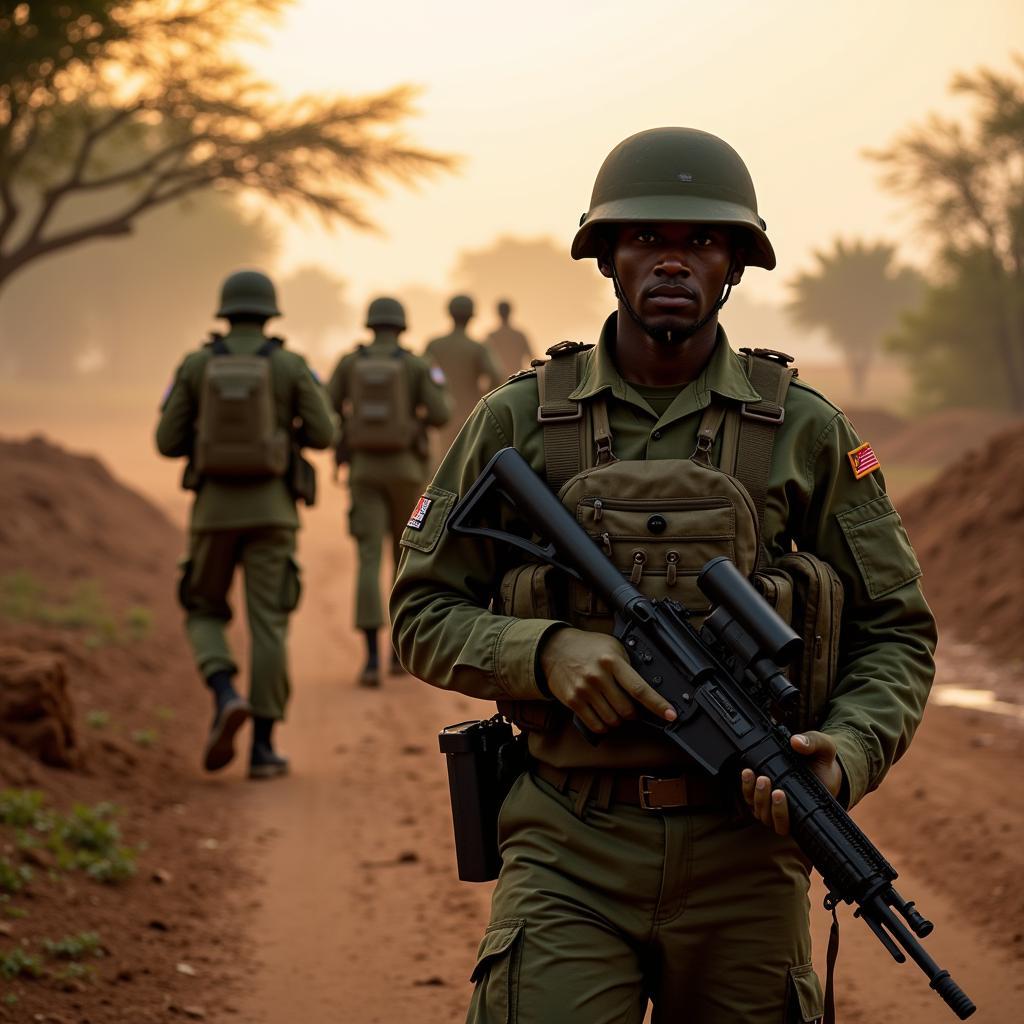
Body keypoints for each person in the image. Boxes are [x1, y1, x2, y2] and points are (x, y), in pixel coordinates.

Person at [391, 128, 935, 1023]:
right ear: (607, 257)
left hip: (746, 855)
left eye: (701, 242)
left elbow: (896, 634)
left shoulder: (804, 429)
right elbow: (420, 611)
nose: (673, 261)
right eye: (647, 238)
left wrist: (846, 752)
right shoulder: (519, 419)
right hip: (569, 842)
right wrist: (544, 653)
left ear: (734, 266)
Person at [156, 269, 335, 779]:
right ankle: (261, 746)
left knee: (202, 606)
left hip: (213, 512)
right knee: (269, 624)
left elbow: (167, 443)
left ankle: (224, 692)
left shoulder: (195, 365)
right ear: (269, 312)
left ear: (225, 311)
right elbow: (324, 433)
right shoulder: (289, 365)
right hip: (273, 513)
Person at [327, 297, 450, 688]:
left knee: (367, 559)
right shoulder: (414, 365)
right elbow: (441, 413)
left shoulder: (350, 364)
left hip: (363, 470)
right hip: (407, 474)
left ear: (370, 324)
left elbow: (326, 406)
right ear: (400, 326)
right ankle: (400, 655)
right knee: (404, 560)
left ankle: (370, 658)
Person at [424, 294, 503, 461]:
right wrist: (483, 393)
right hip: (470, 413)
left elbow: (430, 372)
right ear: (471, 317)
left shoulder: (434, 345)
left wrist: (440, 383)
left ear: (450, 314)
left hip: (443, 414)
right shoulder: (477, 347)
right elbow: (496, 377)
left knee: (442, 461)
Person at [483, 299, 533, 378]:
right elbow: (532, 358)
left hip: (499, 384)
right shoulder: (519, 335)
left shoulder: (492, 337)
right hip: (516, 379)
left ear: (498, 313)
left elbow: (485, 364)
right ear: (510, 312)